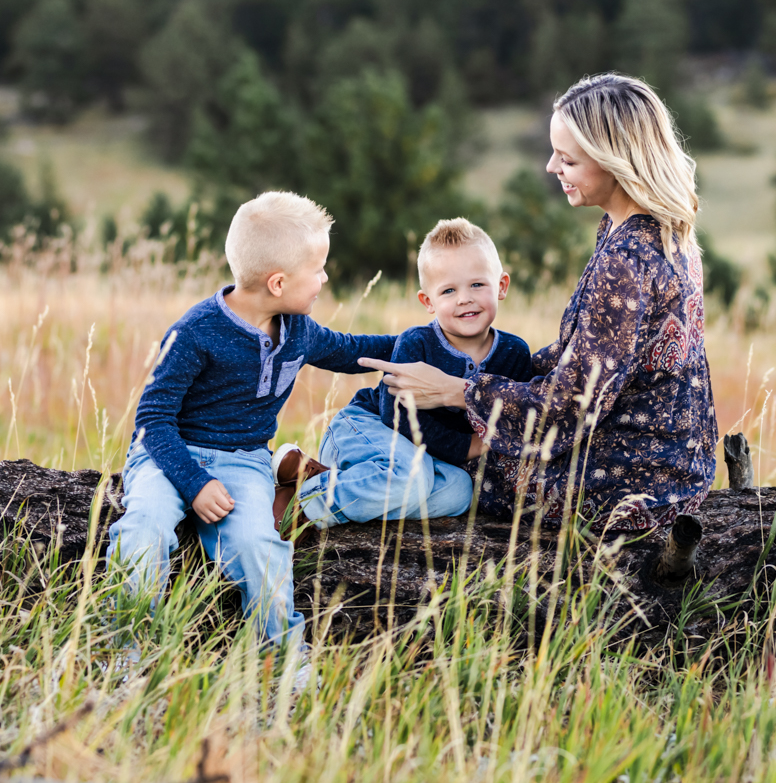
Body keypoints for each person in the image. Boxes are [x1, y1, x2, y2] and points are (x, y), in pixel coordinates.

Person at [361, 73, 716, 531]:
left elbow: (571, 407)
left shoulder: (625, 259)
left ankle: (313, 485)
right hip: (679, 460)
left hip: (634, 478)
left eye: (566, 158)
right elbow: (598, 356)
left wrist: (458, 390)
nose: (551, 167)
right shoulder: (663, 231)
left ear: (615, 161)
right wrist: (499, 372)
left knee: (439, 458)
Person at [107, 191, 394, 664]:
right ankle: (124, 655)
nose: (324, 278)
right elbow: (152, 420)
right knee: (144, 529)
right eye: (319, 268)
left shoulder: (298, 331)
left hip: (243, 462)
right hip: (169, 455)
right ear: (278, 282)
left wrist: (430, 341)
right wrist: (195, 483)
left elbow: (353, 349)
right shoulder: (195, 332)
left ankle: (285, 662)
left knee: (259, 546)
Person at [275, 218, 535, 531]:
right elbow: (395, 417)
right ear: (428, 302)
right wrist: (468, 447)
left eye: (477, 284)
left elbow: (514, 414)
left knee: (460, 492)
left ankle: (322, 478)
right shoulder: (417, 343)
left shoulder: (515, 353)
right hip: (367, 428)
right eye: (449, 290)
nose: (465, 298)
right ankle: (303, 503)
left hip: (419, 457)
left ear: (502, 286)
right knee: (414, 478)